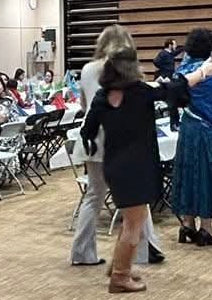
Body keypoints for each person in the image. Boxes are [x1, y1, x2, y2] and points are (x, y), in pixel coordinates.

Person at [83, 48, 212, 293]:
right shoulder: (138, 93)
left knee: (132, 219)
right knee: (134, 224)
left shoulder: (103, 96)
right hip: (136, 167)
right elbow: (173, 88)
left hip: (114, 166)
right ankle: (120, 278)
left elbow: (88, 129)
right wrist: (202, 72)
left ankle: (119, 265)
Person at [70, 24, 167, 269]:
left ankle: (82, 251)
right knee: (137, 197)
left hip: (92, 138)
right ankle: (142, 252)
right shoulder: (125, 70)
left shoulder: (88, 69)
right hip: (120, 138)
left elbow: (84, 105)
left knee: (93, 195)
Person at [172, 27, 212, 246]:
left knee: (188, 173)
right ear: (211, 49)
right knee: (205, 175)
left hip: (188, 128)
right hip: (207, 131)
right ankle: (206, 229)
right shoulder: (210, 73)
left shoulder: (183, 70)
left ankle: (187, 224)